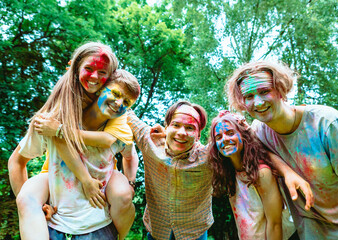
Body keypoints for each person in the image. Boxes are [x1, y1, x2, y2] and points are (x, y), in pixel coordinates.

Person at [8, 41, 137, 240]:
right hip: (56, 181)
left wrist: (130, 182)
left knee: (123, 194)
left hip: (99, 206)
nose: (94, 77)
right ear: (75, 69)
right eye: (88, 68)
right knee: (26, 197)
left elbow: (112, 142)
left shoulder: (118, 116)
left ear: (110, 78)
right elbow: (19, 159)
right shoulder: (55, 113)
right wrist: (38, 209)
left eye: (102, 72)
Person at [226, 60, 338, 239]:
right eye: (248, 97)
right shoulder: (259, 131)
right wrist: (286, 170)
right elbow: (258, 150)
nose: (257, 103)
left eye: (265, 91)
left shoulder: (327, 123)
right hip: (311, 233)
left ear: (281, 89)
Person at [127, 100, 212, 240]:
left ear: (198, 135)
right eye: (176, 125)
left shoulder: (209, 156)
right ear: (166, 127)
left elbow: (235, 138)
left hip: (195, 232)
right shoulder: (150, 143)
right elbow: (126, 113)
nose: (182, 133)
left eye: (190, 128)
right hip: (157, 231)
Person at [208, 110, 296, 240]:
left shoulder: (261, 172)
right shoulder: (228, 170)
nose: (225, 139)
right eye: (219, 137)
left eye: (231, 133)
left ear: (243, 135)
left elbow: (275, 224)